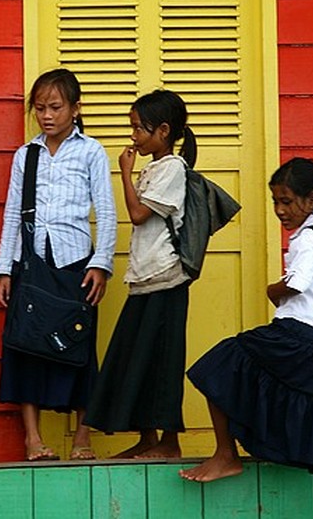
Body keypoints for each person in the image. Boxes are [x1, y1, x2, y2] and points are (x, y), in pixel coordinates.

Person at [179, 157, 313, 519]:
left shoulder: (307, 239)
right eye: (275, 202)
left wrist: (271, 290)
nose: (280, 210)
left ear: (311, 200)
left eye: (286, 201)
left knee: (216, 367)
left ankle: (226, 454)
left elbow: (294, 285)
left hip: (294, 337)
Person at [0, 68, 117, 462]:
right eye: (40, 109)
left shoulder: (91, 151)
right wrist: (4, 267)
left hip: (75, 261)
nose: (46, 116)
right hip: (30, 262)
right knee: (24, 346)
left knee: (79, 348)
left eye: (55, 107)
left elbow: (108, 212)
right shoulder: (25, 155)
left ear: (76, 109)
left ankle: (83, 439)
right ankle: (33, 440)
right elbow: (13, 213)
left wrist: (101, 263)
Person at [85, 90, 195, 458]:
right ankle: (148, 438)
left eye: (139, 129)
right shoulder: (155, 167)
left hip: (166, 278)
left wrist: (126, 175)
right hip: (145, 278)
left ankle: (169, 442)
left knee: (164, 359)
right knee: (137, 356)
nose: (134, 136)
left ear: (163, 131)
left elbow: (138, 215)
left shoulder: (173, 169)